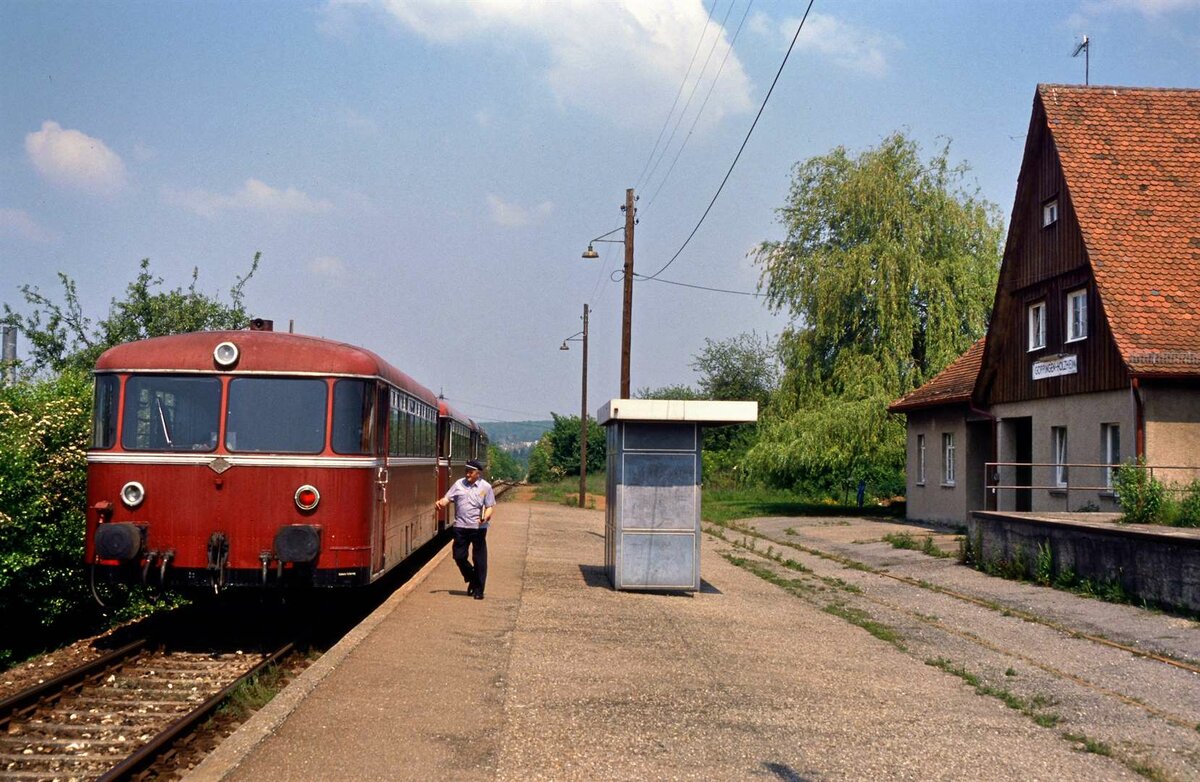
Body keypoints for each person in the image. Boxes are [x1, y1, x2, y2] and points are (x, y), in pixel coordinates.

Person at [435, 459, 495, 599]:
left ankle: (479, 590)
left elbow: (490, 506)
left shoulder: (485, 487)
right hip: (461, 526)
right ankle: (472, 578)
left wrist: (484, 518)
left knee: (479, 559)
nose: (467, 474)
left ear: (477, 473)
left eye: (470, 472)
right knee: (459, 556)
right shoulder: (458, 484)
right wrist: (441, 503)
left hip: (478, 528)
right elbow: (447, 498)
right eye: (466, 471)